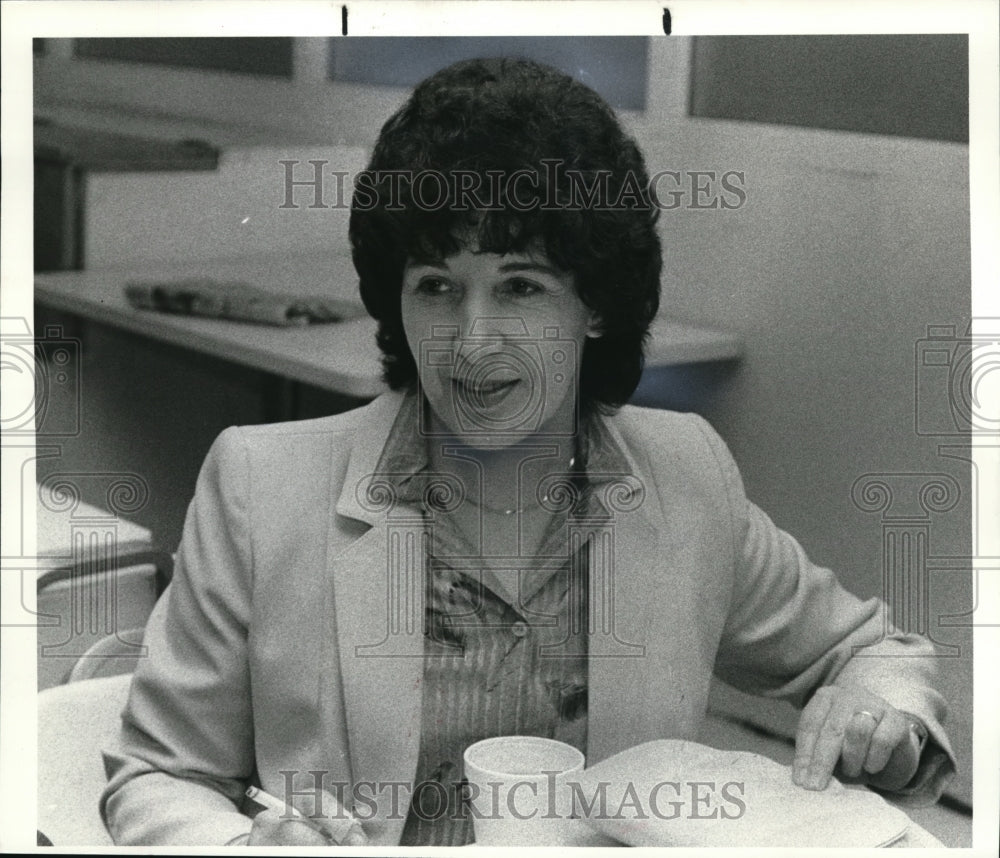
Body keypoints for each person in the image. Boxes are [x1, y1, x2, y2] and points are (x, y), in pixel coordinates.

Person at [100, 57, 955, 847]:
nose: (473, 344)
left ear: (594, 304)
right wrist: (247, 847)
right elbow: (158, 774)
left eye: (520, 287)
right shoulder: (260, 485)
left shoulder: (686, 473)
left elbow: (874, 653)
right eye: (436, 287)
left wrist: (881, 721)